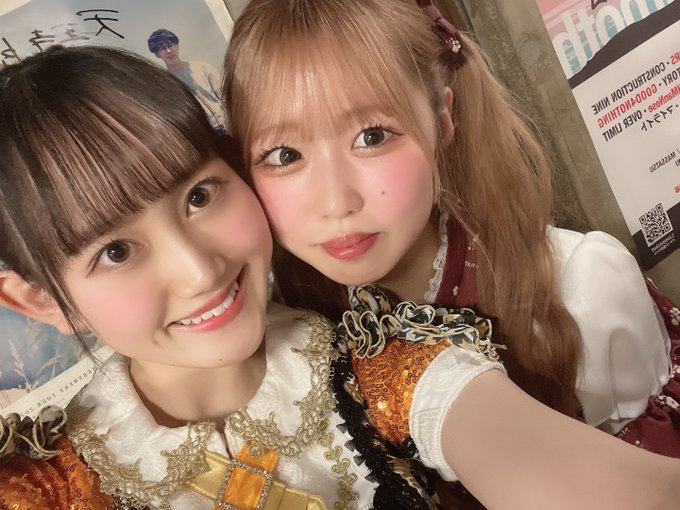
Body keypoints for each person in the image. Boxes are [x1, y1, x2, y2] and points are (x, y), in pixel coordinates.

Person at [1, 45, 679, 510]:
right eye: (116, 251)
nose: (199, 269)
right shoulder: (44, 488)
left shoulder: (389, 365)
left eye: (199, 196)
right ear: (37, 299)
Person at [222, 0, 680, 461]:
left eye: (372, 137)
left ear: (442, 120)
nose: (336, 203)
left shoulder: (583, 288)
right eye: (284, 155)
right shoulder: (287, 336)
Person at [147, 28, 226, 133]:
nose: (169, 51)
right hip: (203, 134)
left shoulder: (202, 67)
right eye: (162, 48)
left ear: (177, 46)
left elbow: (225, 97)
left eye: (170, 45)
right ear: (157, 54)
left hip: (226, 125)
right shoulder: (166, 84)